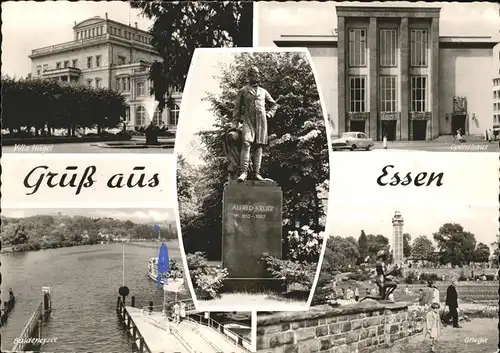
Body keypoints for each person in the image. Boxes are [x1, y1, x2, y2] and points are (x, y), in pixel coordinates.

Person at [232, 66, 278, 182]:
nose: (256, 76)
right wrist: (235, 123)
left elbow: (274, 104)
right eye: (253, 74)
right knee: (246, 143)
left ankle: (257, 173)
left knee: (259, 146)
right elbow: (237, 108)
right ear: (249, 76)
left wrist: (270, 114)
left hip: (261, 122)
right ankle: (243, 172)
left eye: (257, 74)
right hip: (248, 121)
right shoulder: (243, 90)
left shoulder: (263, 91)